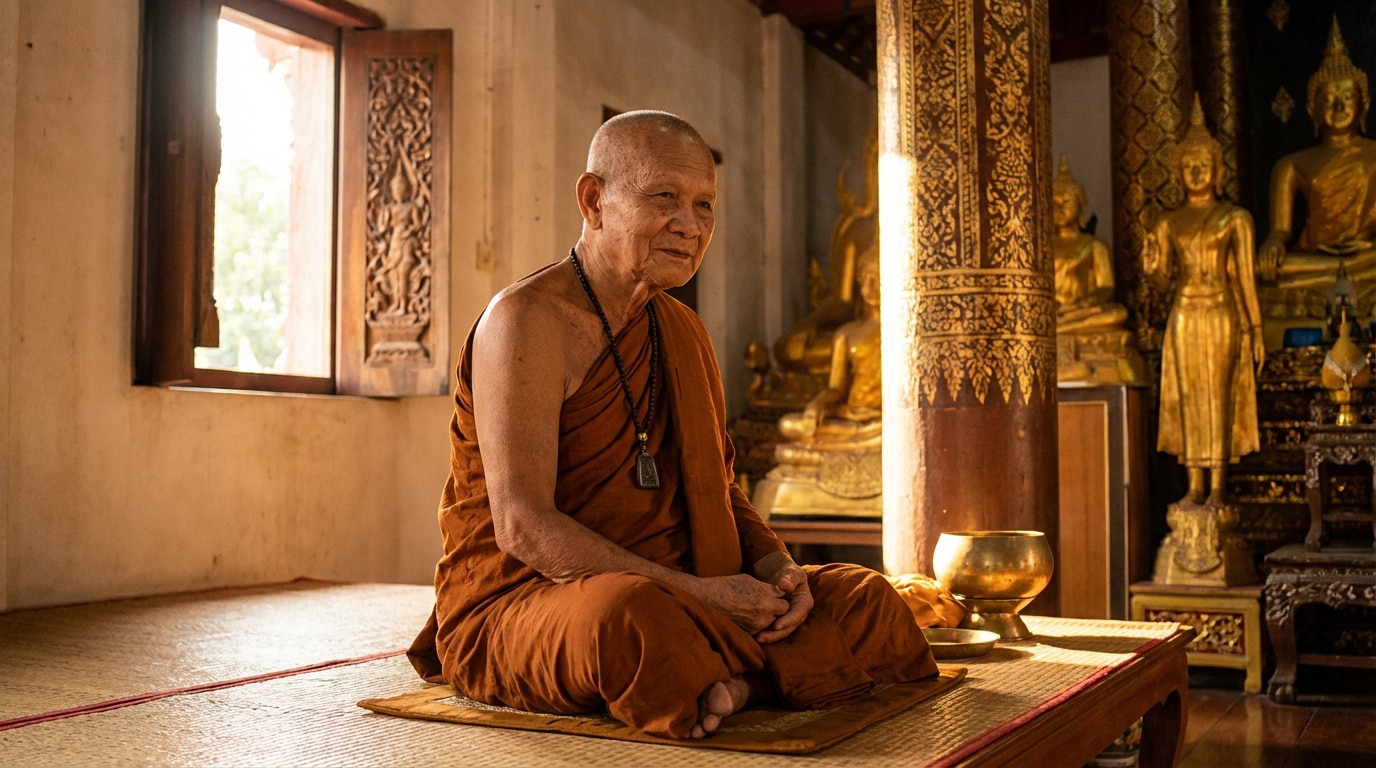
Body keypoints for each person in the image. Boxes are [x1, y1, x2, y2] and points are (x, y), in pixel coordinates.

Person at [407, 110, 938, 740]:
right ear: (593, 200)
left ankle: (737, 684)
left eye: (704, 205)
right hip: (534, 598)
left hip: (688, 586)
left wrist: (777, 568)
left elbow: (721, 488)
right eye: (665, 198)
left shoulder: (682, 331)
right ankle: (766, 673)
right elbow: (523, 525)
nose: (690, 225)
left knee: (869, 598)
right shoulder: (525, 322)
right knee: (631, 622)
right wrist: (704, 596)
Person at [1144, 96, 1264, 505]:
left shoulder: (1235, 218)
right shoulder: (1168, 221)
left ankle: (1217, 486)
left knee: (1218, 394)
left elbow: (1246, 278)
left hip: (1222, 311)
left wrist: (1256, 329)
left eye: (1203, 164)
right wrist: (1152, 267)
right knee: (1189, 396)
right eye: (1188, 165)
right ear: (1178, 172)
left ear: (1219, 169)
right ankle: (1194, 485)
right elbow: (1162, 285)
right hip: (1184, 313)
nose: (1196, 171)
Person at [1258, 17, 1376, 308]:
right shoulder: (1290, 165)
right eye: (1329, 99)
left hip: (1367, 254)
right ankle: (1339, 279)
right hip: (1313, 257)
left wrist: (1366, 237)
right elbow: (1281, 230)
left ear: (1365, 105)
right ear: (1312, 109)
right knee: (1259, 271)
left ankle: (1334, 282)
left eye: (1348, 96)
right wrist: (1273, 243)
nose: (1339, 106)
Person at [778, 244, 881, 443]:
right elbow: (836, 388)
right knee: (788, 425)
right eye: (865, 279)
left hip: (892, 417)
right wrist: (816, 405)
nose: (870, 287)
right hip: (854, 418)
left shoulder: (906, 333)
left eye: (877, 279)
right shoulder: (846, 334)